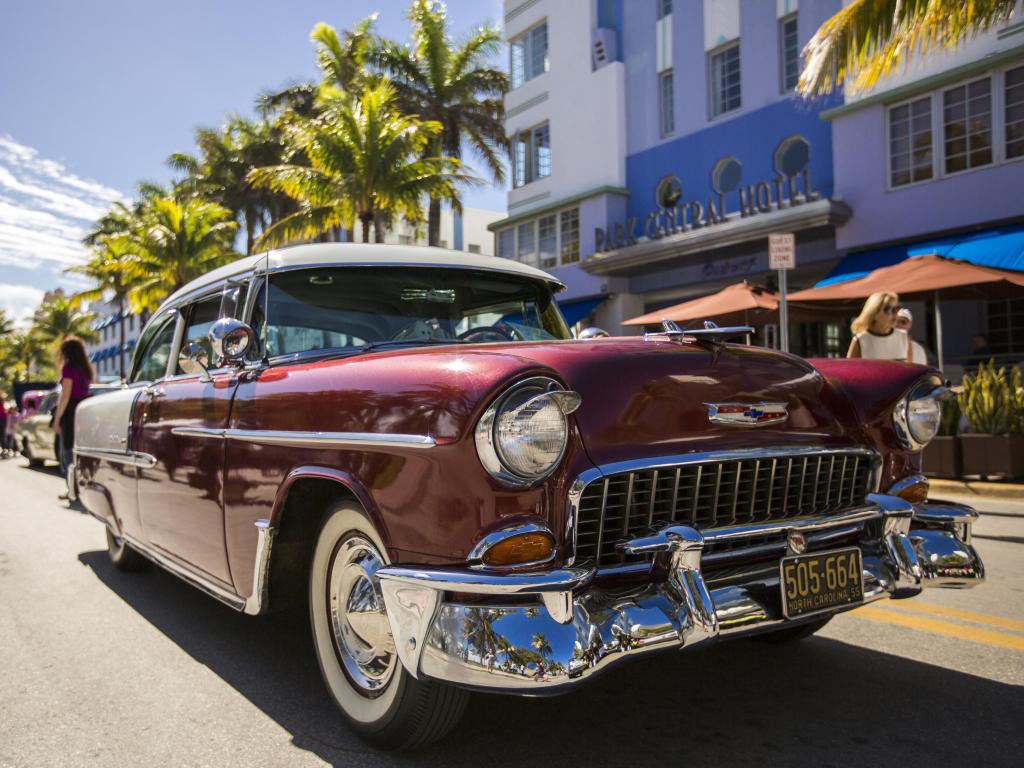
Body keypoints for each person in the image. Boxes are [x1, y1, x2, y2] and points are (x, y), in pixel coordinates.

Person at [53, 336, 94, 497]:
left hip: (71, 412)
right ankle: (81, 486)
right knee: (81, 449)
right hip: (84, 410)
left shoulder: (68, 368)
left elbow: (66, 395)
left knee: (68, 451)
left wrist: (57, 418)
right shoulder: (86, 368)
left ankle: (72, 488)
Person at [846, 292, 911, 361]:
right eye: (889, 309)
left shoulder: (904, 337)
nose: (895, 314)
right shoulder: (860, 340)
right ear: (875, 312)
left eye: (897, 309)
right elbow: (849, 370)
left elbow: (911, 370)